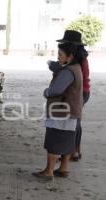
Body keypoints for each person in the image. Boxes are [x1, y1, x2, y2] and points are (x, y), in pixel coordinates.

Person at [32, 42, 83, 181]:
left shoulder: (68, 71)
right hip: (72, 111)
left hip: (61, 111)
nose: (58, 57)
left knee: (54, 140)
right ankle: (63, 168)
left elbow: (56, 90)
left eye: (60, 54)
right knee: (67, 140)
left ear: (70, 56)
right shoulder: (76, 67)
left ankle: (49, 172)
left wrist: (46, 92)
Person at [50, 30, 90, 161]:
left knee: (74, 121)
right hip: (79, 90)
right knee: (73, 121)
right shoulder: (77, 57)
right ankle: (69, 151)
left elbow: (70, 76)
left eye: (66, 42)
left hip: (80, 91)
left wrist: (58, 69)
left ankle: (74, 150)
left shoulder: (79, 59)